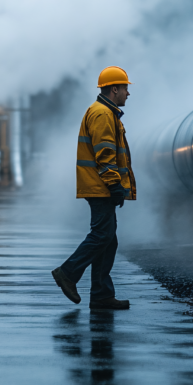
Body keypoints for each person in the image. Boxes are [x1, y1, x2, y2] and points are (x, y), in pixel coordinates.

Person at [52, 66, 137, 310]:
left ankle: (101, 295)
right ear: (114, 89)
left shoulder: (107, 112)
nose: (127, 94)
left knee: (108, 240)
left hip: (101, 186)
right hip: (101, 187)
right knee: (102, 235)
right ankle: (68, 273)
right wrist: (115, 185)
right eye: (125, 88)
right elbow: (105, 154)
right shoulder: (102, 114)